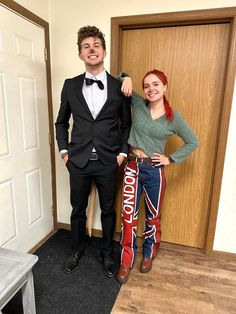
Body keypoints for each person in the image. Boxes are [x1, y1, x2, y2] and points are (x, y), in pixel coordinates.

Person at [55, 26, 131, 277]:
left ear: (104, 51)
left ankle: (107, 252)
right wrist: (64, 152)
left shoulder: (120, 86)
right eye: (86, 46)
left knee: (108, 210)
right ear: (80, 54)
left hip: (109, 160)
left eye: (96, 45)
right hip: (77, 160)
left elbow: (127, 124)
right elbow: (62, 122)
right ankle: (76, 249)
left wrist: (121, 154)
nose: (91, 50)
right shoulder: (70, 85)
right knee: (77, 209)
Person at [117, 70, 199, 283]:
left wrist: (169, 159)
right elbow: (118, 79)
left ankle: (149, 253)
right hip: (133, 167)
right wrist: (126, 76)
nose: (151, 89)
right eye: (146, 86)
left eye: (155, 84)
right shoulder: (138, 103)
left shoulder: (173, 118)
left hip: (155, 172)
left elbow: (193, 141)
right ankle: (126, 260)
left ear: (164, 87)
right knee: (128, 216)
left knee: (153, 216)